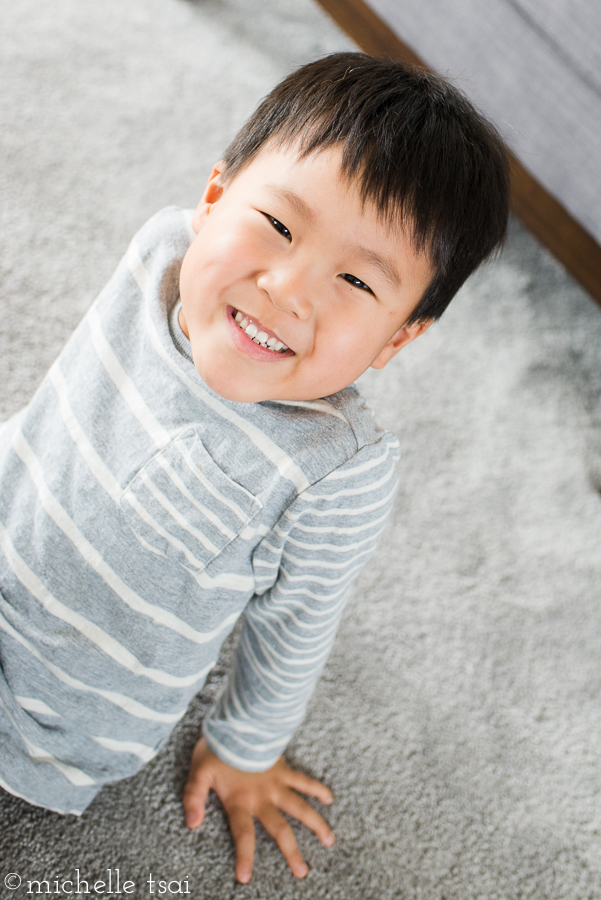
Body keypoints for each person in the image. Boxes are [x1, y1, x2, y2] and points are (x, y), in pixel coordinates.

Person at [0, 52, 509, 883]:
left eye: (353, 279)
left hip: (55, 705)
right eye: (276, 225)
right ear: (212, 198)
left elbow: (294, 629)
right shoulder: (158, 253)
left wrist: (243, 750)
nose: (286, 287)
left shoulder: (332, 472)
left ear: (396, 340)